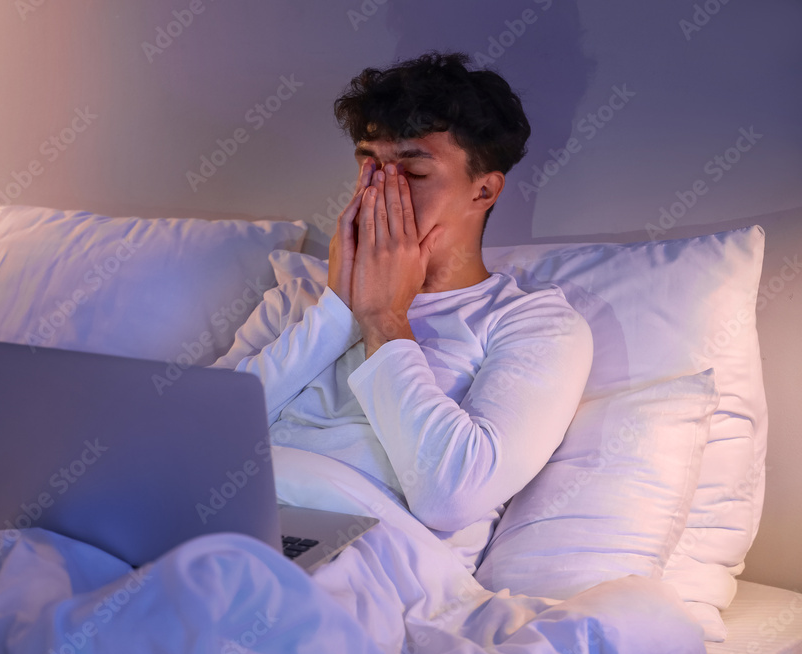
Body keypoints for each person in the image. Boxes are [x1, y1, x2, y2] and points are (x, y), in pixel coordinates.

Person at [209, 51, 592, 570]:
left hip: (368, 556)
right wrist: (339, 310)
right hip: (216, 524)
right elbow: (195, 440)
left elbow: (451, 496)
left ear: (484, 189)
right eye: (370, 166)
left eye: (411, 171)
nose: (380, 192)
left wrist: (383, 318)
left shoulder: (533, 325)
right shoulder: (297, 298)